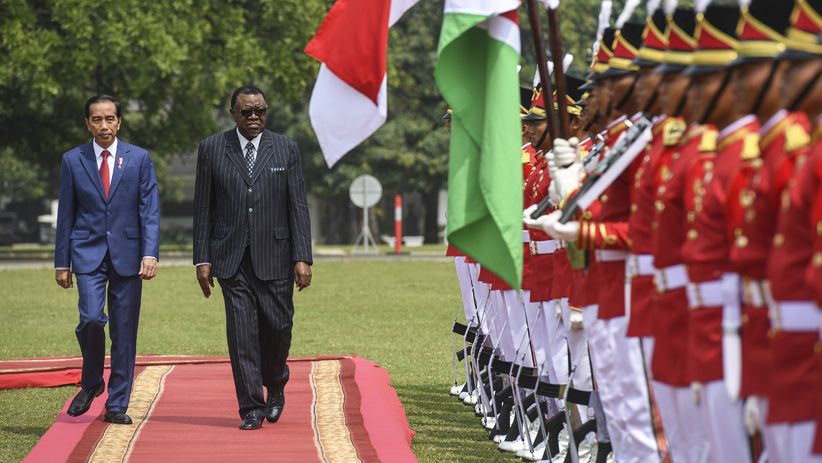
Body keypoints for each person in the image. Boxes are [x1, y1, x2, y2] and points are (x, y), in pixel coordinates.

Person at [192, 85, 313, 430]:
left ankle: (275, 383)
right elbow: (203, 209)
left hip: (276, 255)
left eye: (260, 110)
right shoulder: (212, 149)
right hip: (231, 258)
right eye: (247, 112)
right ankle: (251, 408)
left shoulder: (286, 149)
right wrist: (202, 259)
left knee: (278, 328)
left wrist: (302, 257)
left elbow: (298, 207)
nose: (254, 117)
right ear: (233, 113)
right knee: (242, 334)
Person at [54, 94, 160, 425]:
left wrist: (150, 251)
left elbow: (149, 209)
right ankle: (91, 382)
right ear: (88, 123)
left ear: (119, 122)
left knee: (124, 332)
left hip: (129, 255)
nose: (104, 125)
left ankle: (116, 404)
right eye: (97, 119)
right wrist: (62, 262)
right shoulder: (73, 160)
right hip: (86, 253)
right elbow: (66, 214)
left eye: (110, 119)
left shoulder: (139, 158)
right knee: (90, 319)